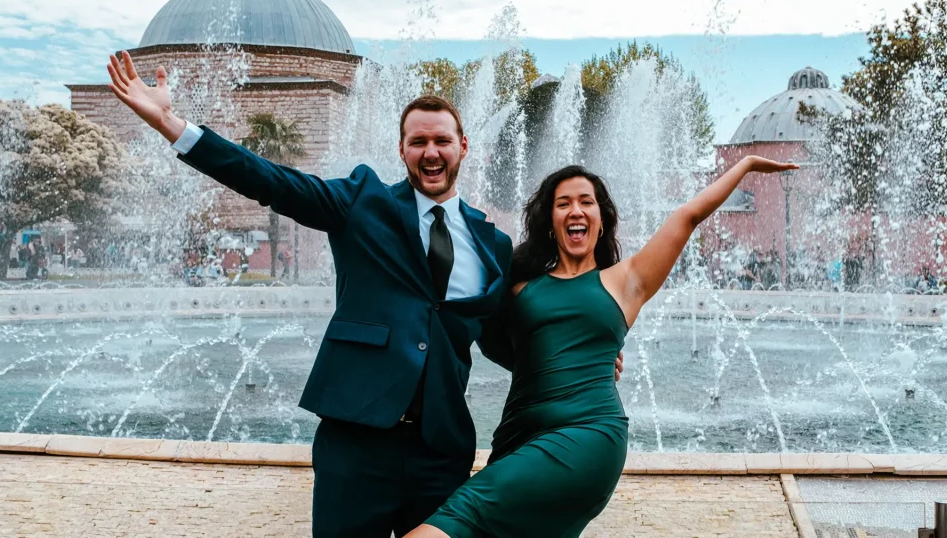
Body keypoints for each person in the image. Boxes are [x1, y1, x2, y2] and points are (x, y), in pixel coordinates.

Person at [105, 51, 622, 537]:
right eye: (418, 141)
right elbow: (271, 181)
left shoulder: (493, 244)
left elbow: (500, 340)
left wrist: (584, 357)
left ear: (464, 147)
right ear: (402, 150)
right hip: (356, 441)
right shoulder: (361, 202)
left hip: (440, 449)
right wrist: (171, 124)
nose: (431, 151)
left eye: (442, 140)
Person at [409, 157, 796, 538]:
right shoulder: (518, 285)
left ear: (601, 219)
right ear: (550, 222)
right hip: (517, 436)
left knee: (456, 518)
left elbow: (688, 216)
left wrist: (743, 165)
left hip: (588, 434)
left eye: (586, 201)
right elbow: (486, 336)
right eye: (563, 203)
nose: (575, 210)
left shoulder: (626, 281)